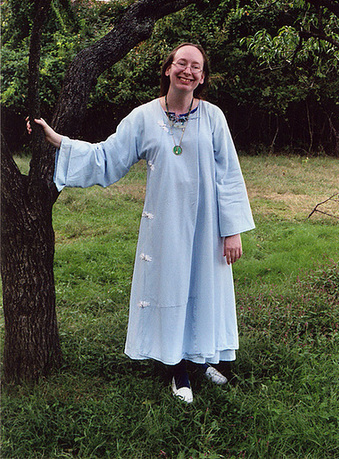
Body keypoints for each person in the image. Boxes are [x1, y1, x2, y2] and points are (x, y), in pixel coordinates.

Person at [27, 43, 255, 403]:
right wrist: (59, 141)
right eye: (182, 62)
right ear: (168, 69)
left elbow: (229, 175)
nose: (188, 71)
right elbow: (107, 157)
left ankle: (210, 359)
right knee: (171, 287)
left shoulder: (213, 117)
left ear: (203, 77)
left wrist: (233, 230)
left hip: (208, 224)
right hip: (166, 222)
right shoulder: (144, 117)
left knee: (207, 288)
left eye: (196, 66)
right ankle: (176, 367)